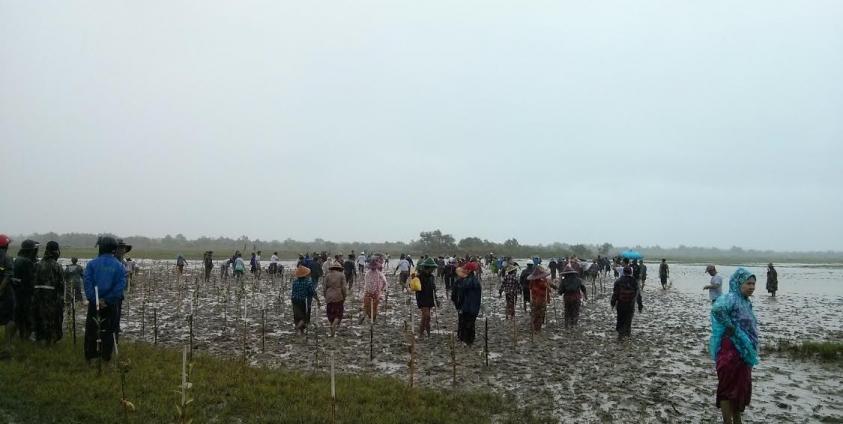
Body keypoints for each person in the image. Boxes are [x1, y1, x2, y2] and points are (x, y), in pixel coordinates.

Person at [710, 268, 758, 424]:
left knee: (740, 386)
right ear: (738, 283)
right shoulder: (731, 298)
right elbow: (717, 309)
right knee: (727, 385)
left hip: (744, 352)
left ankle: (737, 419)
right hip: (730, 350)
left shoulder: (746, 301)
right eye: (748, 283)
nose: (751, 287)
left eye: (753, 284)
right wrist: (730, 326)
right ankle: (727, 421)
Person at [84, 236, 127, 363]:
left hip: (95, 304)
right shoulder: (119, 266)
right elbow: (120, 287)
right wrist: (108, 300)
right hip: (111, 305)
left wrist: (96, 299)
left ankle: (91, 357)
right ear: (114, 249)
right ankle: (105, 357)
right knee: (109, 331)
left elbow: (87, 284)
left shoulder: (91, 264)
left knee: (92, 329)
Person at [32, 241, 64, 345]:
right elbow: (61, 286)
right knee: (52, 321)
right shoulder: (57, 266)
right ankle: (49, 342)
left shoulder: (37, 265)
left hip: (37, 298)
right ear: (56, 251)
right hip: (52, 300)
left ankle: (40, 340)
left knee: (39, 319)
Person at [13, 239, 39, 341]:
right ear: (30, 250)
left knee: (18, 315)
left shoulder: (17, 259)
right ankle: (26, 337)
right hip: (26, 292)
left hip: (17, 291)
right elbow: (31, 279)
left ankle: (19, 336)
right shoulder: (27, 262)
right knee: (27, 315)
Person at [611, 266, 643, 340]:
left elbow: (615, 294)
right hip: (630, 304)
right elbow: (638, 294)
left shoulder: (618, 281)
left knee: (620, 317)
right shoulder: (634, 281)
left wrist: (612, 303)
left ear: (624, 272)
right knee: (628, 318)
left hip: (620, 303)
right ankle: (627, 333)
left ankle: (620, 333)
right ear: (631, 272)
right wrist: (640, 306)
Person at [456, 261, 481, 345]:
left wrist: (459, 306)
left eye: (466, 269)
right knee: (471, 324)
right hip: (474, 307)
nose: (464, 270)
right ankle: (470, 341)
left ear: (469, 270)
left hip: (466, 307)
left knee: (466, 324)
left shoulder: (466, 281)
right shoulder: (476, 281)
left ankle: (467, 341)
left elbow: (461, 295)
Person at [0, 234, 16, 359]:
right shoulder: (7, 257)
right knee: (9, 318)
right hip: (5, 292)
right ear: (5, 245)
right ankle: (7, 345)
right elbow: (8, 275)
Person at [291, 266, 319, 334]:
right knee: (304, 317)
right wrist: (318, 300)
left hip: (294, 300)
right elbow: (313, 292)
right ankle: (297, 328)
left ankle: (301, 331)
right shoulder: (308, 282)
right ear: (306, 275)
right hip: (303, 301)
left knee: (297, 316)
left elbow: (293, 291)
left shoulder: (295, 282)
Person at [527, 265, 555, 333]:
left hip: (534, 299)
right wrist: (548, 287)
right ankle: (537, 329)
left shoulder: (532, 281)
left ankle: (534, 327)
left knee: (534, 313)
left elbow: (530, 288)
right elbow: (549, 289)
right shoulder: (544, 281)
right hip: (541, 300)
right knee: (540, 314)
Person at [415, 257, 438, 337]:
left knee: (427, 318)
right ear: (428, 268)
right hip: (422, 298)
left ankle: (427, 334)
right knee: (426, 316)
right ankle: (421, 333)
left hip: (430, 298)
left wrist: (436, 299)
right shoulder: (419, 276)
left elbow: (434, 288)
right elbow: (413, 287)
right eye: (432, 268)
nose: (433, 270)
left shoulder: (432, 277)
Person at [322, 261, 347, 337]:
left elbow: (324, 287)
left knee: (330, 313)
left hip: (329, 296)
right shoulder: (341, 275)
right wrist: (344, 296)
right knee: (338, 314)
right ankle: (334, 326)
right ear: (339, 269)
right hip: (338, 296)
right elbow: (344, 288)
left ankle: (332, 330)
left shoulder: (327, 275)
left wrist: (325, 296)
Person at [361, 255, 387, 323]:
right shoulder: (379, 273)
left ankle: (366, 316)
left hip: (367, 292)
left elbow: (366, 284)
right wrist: (381, 289)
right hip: (376, 293)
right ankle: (373, 320)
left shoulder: (367, 273)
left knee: (366, 306)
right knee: (374, 308)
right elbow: (384, 282)